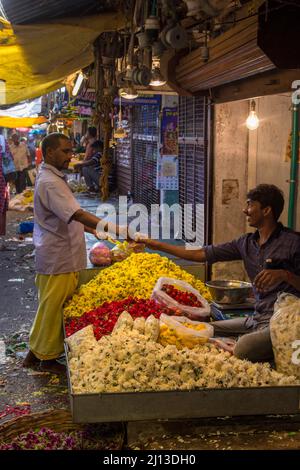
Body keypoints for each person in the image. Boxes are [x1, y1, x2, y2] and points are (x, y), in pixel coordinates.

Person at [138, 184, 300, 363]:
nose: (245, 210)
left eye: (250, 205)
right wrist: (156, 245)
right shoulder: (245, 243)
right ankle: (244, 342)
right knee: (202, 328)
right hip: (257, 318)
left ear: (267, 210)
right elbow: (201, 253)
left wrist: (285, 275)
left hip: (284, 325)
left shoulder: (292, 243)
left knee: (243, 348)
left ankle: (247, 347)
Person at [22, 133, 126, 373]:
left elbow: (69, 216)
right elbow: (76, 214)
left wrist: (95, 230)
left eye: (71, 151)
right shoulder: (50, 182)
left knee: (49, 305)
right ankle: (46, 360)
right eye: (65, 151)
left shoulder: (53, 178)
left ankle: (34, 353)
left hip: (59, 253)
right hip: (58, 255)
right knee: (52, 307)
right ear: (49, 152)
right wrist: (113, 228)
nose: (71, 156)